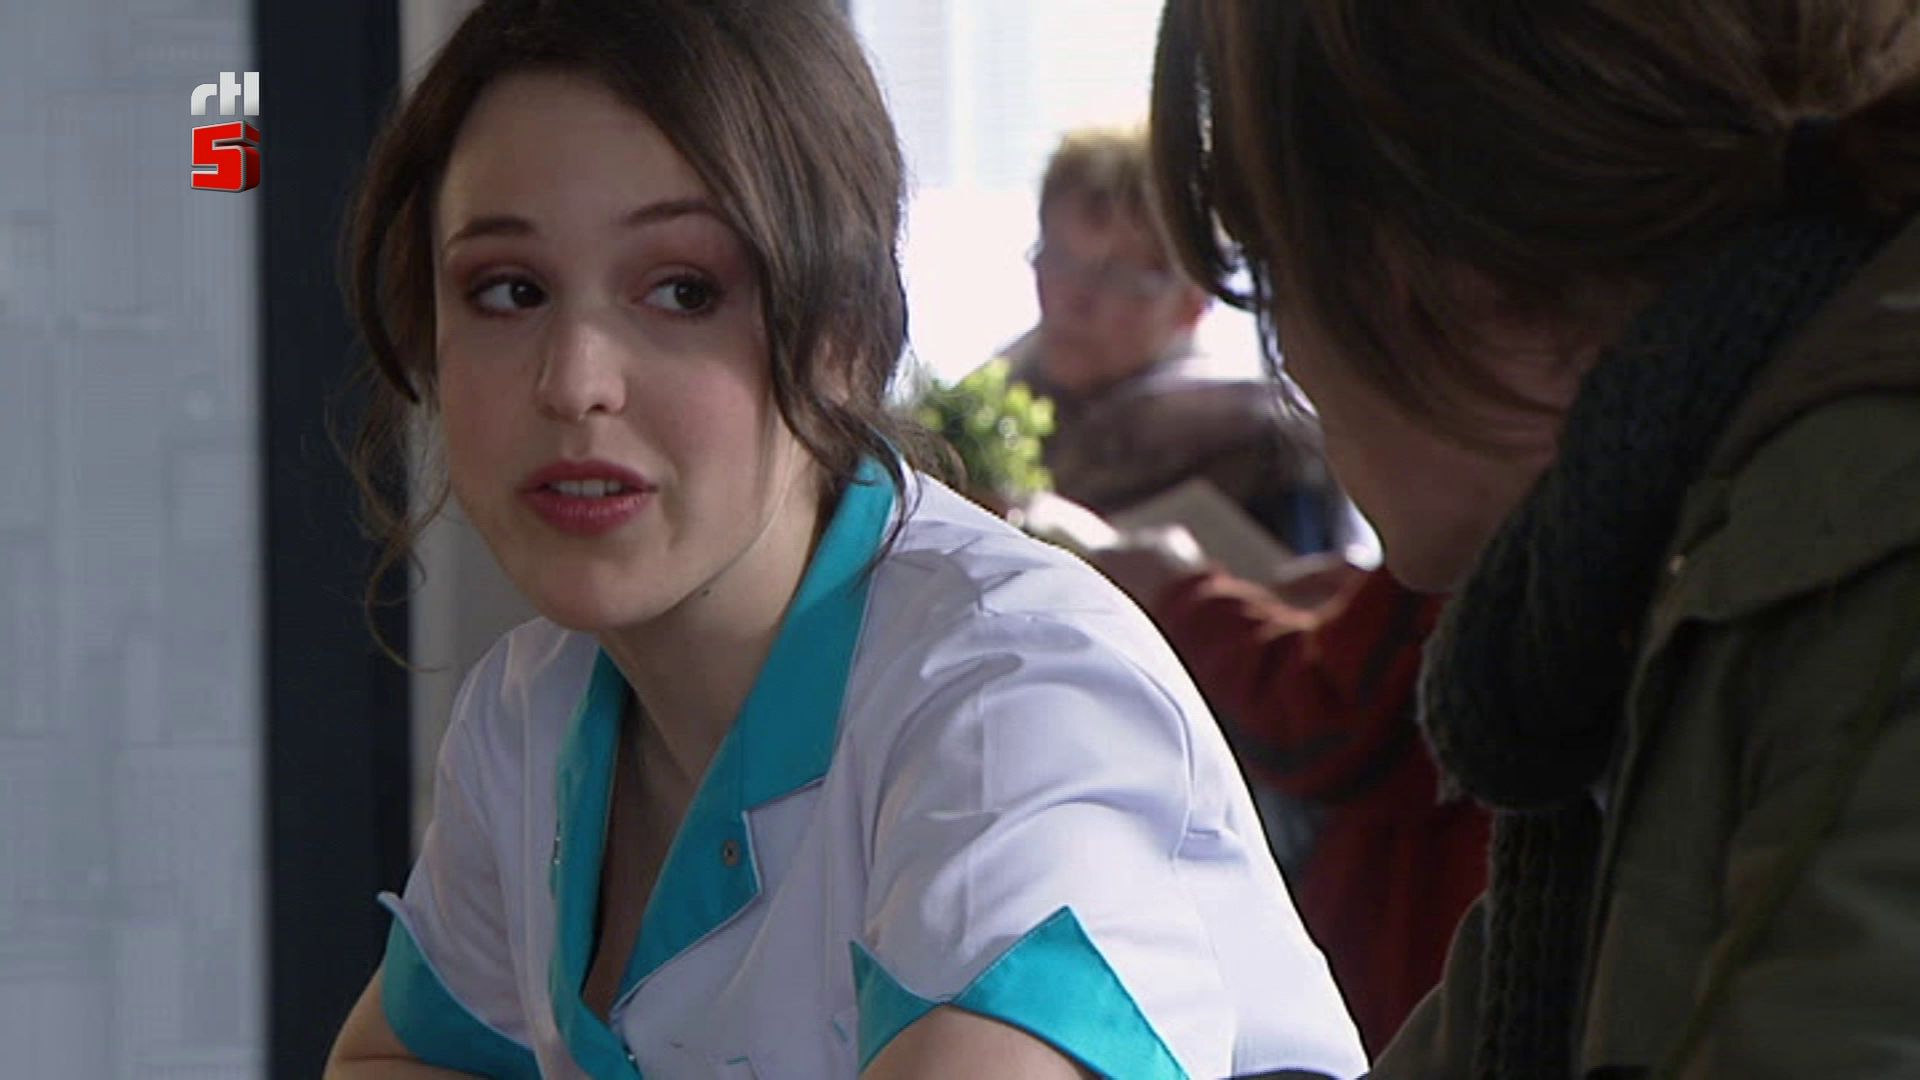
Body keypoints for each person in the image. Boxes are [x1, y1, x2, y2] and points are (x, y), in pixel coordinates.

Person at [322, 2, 1367, 1078]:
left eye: (684, 290)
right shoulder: (535, 706)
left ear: (846, 334)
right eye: (509, 291)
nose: (574, 381)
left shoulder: (1013, 694)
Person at [1151, 1, 1920, 1076]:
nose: (1297, 374)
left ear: (1443, 264)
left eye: (1274, 277)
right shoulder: (1644, 582)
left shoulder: (1842, 561)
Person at [1000, 127, 1347, 557]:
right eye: (1059, 259)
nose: (1073, 300)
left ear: (1193, 302)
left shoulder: (1261, 443)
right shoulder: (985, 412)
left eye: (1120, 277)